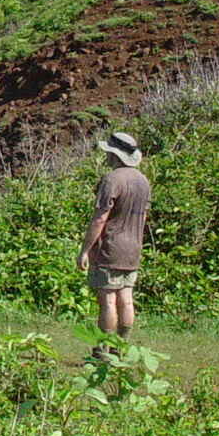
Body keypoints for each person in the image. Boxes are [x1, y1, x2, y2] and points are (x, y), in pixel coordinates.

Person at [77, 130, 151, 350]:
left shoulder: (112, 179)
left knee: (108, 301)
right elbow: (144, 216)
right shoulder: (143, 181)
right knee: (126, 299)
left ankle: (103, 350)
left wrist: (85, 249)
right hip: (134, 248)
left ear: (115, 155)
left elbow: (100, 219)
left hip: (111, 247)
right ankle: (122, 346)